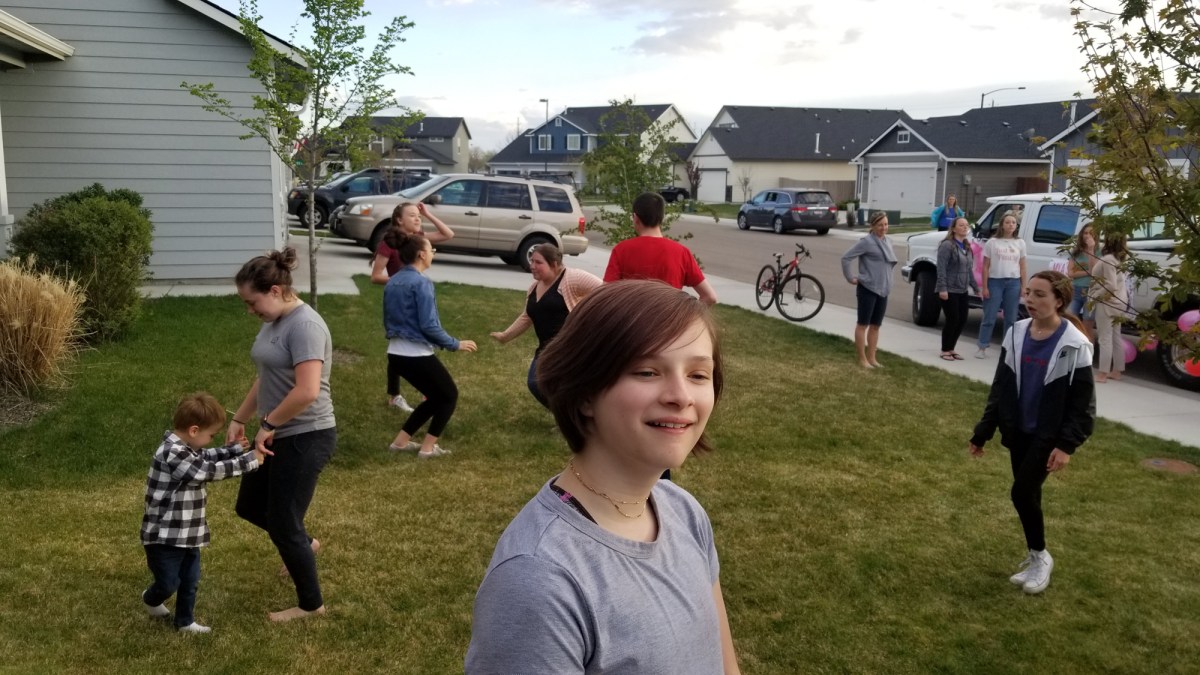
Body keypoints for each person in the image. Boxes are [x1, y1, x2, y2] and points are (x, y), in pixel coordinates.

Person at [466, 281, 740, 674]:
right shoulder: (539, 578)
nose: (681, 396)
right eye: (647, 371)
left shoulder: (684, 512)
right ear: (584, 394)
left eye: (698, 375)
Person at [969, 270, 1095, 595]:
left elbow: (1083, 405)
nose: (1030, 300)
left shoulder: (1075, 344)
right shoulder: (1016, 332)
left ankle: (1041, 557)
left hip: (1047, 437)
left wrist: (1066, 446)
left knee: (1021, 493)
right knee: (1030, 495)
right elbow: (1001, 386)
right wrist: (983, 431)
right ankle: (1036, 556)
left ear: (1059, 300)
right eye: (1028, 293)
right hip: (1018, 431)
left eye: (1040, 294)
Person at [230, 247, 337, 623]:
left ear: (275, 291)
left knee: (283, 521)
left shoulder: (305, 326)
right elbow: (267, 376)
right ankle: (306, 545)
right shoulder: (274, 321)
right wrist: (240, 418)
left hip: (307, 435)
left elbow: (307, 391)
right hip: (276, 432)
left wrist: (269, 425)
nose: (250, 311)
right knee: (249, 506)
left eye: (252, 302)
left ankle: (311, 605)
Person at [140, 393, 264, 633]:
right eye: (211, 435)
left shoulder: (187, 447)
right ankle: (151, 598)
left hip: (189, 533)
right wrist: (249, 461)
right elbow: (206, 471)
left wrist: (232, 450)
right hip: (163, 537)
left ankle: (185, 622)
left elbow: (206, 456)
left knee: (190, 580)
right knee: (169, 583)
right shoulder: (172, 452)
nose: (210, 440)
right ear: (194, 430)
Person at [384, 232, 477, 458]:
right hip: (414, 354)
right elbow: (429, 326)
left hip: (395, 354)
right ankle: (427, 449)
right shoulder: (421, 282)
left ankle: (400, 443)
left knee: (436, 396)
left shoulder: (393, 280)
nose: (433, 254)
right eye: (432, 250)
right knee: (449, 395)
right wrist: (455, 344)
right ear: (421, 254)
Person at [489, 243, 602, 406]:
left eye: (538, 262)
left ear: (554, 264)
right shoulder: (534, 287)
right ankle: (567, 414)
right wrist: (505, 336)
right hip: (546, 347)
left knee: (558, 387)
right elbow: (527, 316)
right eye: (532, 261)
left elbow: (607, 290)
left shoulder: (572, 278)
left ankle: (574, 415)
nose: (532, 266)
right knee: (536, 384)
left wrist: (590, 315)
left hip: (569, 347)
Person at [371, 202, 456, 412]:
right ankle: (395, 395)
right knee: (400, 343)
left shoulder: (418, 239)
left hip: (417, 293)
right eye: (412, 215)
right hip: (400, 299)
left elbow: (448, 234)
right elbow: (376, 276)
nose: (418, 219)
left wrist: (428, 213)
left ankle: (428, 390)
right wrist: (402, 282)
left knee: (418, 340)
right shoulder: (389, 243)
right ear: (399, 220)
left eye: (419, 216)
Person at [603, 191, 718, 306]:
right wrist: (684, 314)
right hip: (670, 317)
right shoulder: (682, 252)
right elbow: (710, 297)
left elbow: (605, 295)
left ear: (635, 218)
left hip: (631, 317)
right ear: (662, 218)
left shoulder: (621, 250)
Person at [841, 211, 898, 368]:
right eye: (880, 225)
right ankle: (862, 359)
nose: (883, 228)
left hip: (883, 290)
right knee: (863, 324)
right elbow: (846, 258)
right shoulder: (866, 242)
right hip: (867, 288)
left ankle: (872, 358)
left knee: (876, 326)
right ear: (872, 226)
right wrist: (850, 277)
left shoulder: (888, 241)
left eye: (886, 224)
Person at [977, 211, 1027, 359]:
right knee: (989, 316)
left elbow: (1023, 266)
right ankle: (982, 346)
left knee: (1011, 318)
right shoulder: (992, 242)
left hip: (1013, 282)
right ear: (1002, 225)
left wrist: (1024, 286)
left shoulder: (1020, 243)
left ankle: (1007, 349)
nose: (1011, 225)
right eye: (1008, 222)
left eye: (1013, 222)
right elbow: (985, 266)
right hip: (995, 282)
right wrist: (985, 287)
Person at [936, 217, 979, 360]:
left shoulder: (966, 246)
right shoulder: (947, 245)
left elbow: (969, 269)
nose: (965, 227)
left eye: (966, 225)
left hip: (962, 290)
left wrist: (975, 287)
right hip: (949, 289)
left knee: (962, 320)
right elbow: (941, 268)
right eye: (961, 225)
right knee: (952, 319)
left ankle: (951, 348)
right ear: (953, 228)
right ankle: (945, 350)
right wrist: (942, 288)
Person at [1090, 233, 1131, 383]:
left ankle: (1102, 373)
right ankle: (1117, 371)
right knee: (1115, 336)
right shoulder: (1120, 259)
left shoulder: (1108, 259)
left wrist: (1095, 296)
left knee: (1105, 338)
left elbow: (1111, 285)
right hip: (1120, 301)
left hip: (1108, 302)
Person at [1067, 224, 1098, 342]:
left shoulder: (1099, 251)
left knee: (1087, 326)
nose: (1088, 235)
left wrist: (1091, 250)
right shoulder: (1076, 251)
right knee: (1069, 320)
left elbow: (1095, 271)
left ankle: (1088, 351)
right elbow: (1070, 273)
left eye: (1091, 233)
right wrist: (1087, 272)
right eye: (1085, 233)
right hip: (1076, 290)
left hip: (1091, 292)